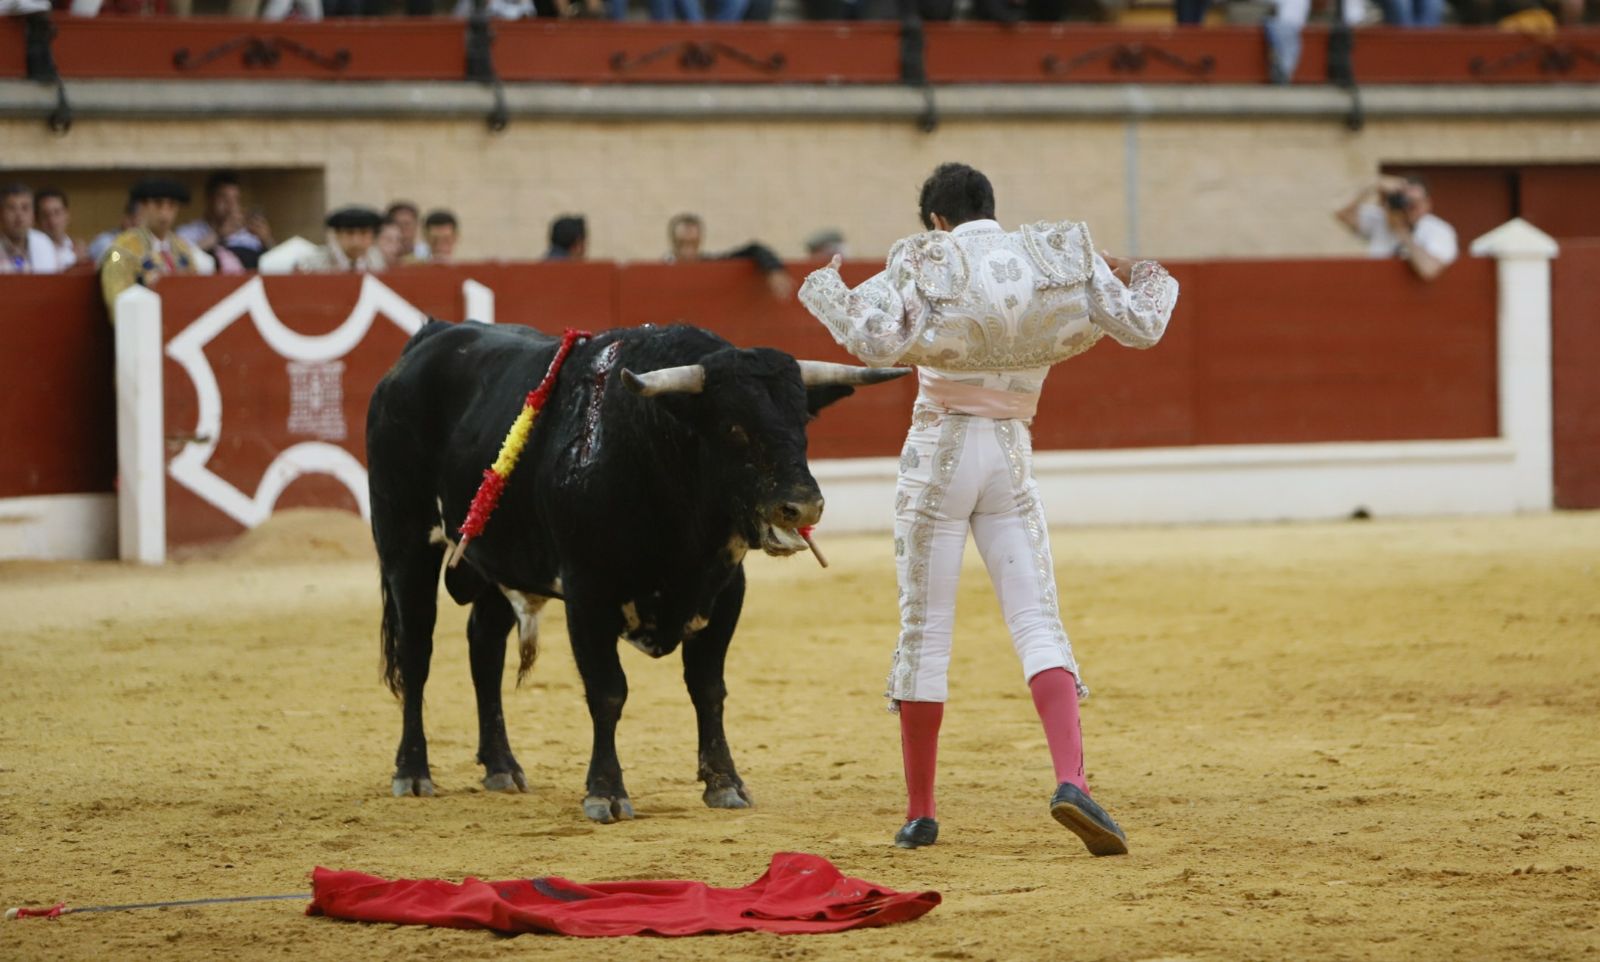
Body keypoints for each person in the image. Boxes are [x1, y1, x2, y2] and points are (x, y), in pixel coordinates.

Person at [798, 162, 1179, 856]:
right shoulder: (1058, 255)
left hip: (937, 455)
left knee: (926, 631)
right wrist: (1147, 272)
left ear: (937, 220)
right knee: (1037, 619)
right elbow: (1144, 324)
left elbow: (874, 339)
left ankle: (921, 813)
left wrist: (826, 285)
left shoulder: (928, 257)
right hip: (1010, 456)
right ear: (988, 208)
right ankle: (1072, 779)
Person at [100, 178, 211, 307]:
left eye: (171, 205)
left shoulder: (182, 249)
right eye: (158, 204)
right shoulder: (121, 250)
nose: (165, 213)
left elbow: (195, 290)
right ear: (143, 207)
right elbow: (117, 299)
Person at [1335, 174, 1458, 281]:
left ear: (1427, 204)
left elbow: (1428, 270)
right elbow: (1342, 214)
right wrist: (1372, 186)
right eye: (1405, 202)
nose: (1408, 208)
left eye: (1414, 203)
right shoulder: (1381, 220)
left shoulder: (1439, 230)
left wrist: (1402, 231)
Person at [666, 212, 793, 299]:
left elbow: (754, 249)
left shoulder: (711, 266)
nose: (688, 251)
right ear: (673, 241)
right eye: (683, 243)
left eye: (693, 243)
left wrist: (774, 269)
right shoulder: (664, 269)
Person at [177, 170, 274, 270]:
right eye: (224, 198)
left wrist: (266, 241)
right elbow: (183, 261)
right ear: (209, 199)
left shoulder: (249, 234)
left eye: (235, 199)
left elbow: (274, 263)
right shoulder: (189, 232)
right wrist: (219, 235)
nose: (230, 205)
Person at [296, 205, 387, 273]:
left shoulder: (377, 260)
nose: (356, 240)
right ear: (337, 235)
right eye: (350, 233)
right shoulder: (314, 261)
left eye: (363, 233)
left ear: (372, 236)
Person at [0, 183, 60, 275]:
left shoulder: (44, 243)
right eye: (12, 208)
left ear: (33, 215)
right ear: (1, 213)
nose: (19, 215)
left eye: (25, 208)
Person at [34, 188, 88, 272]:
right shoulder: (32, 250)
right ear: (37, 220)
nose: (52, 220)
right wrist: (73, 257)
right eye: (45, 215)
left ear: (67, 215)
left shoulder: (77, 248)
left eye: (57, 212)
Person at [88, 199, 140, 265]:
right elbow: (113, 260)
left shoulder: (151, 242)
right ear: (125, 218)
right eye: (133, 220)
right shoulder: (104, 241)